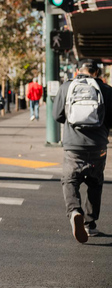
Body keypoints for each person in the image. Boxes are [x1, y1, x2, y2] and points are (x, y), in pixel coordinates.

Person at [52, 59, 112, 243]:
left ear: (78, 70)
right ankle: (90, 224)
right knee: (95, 183)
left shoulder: (67, 87)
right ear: (97, 72)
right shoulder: (106, 89)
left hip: (73, 145)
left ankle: (74, 212)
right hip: (98, 147)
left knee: (70, 180)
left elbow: (57, 116)